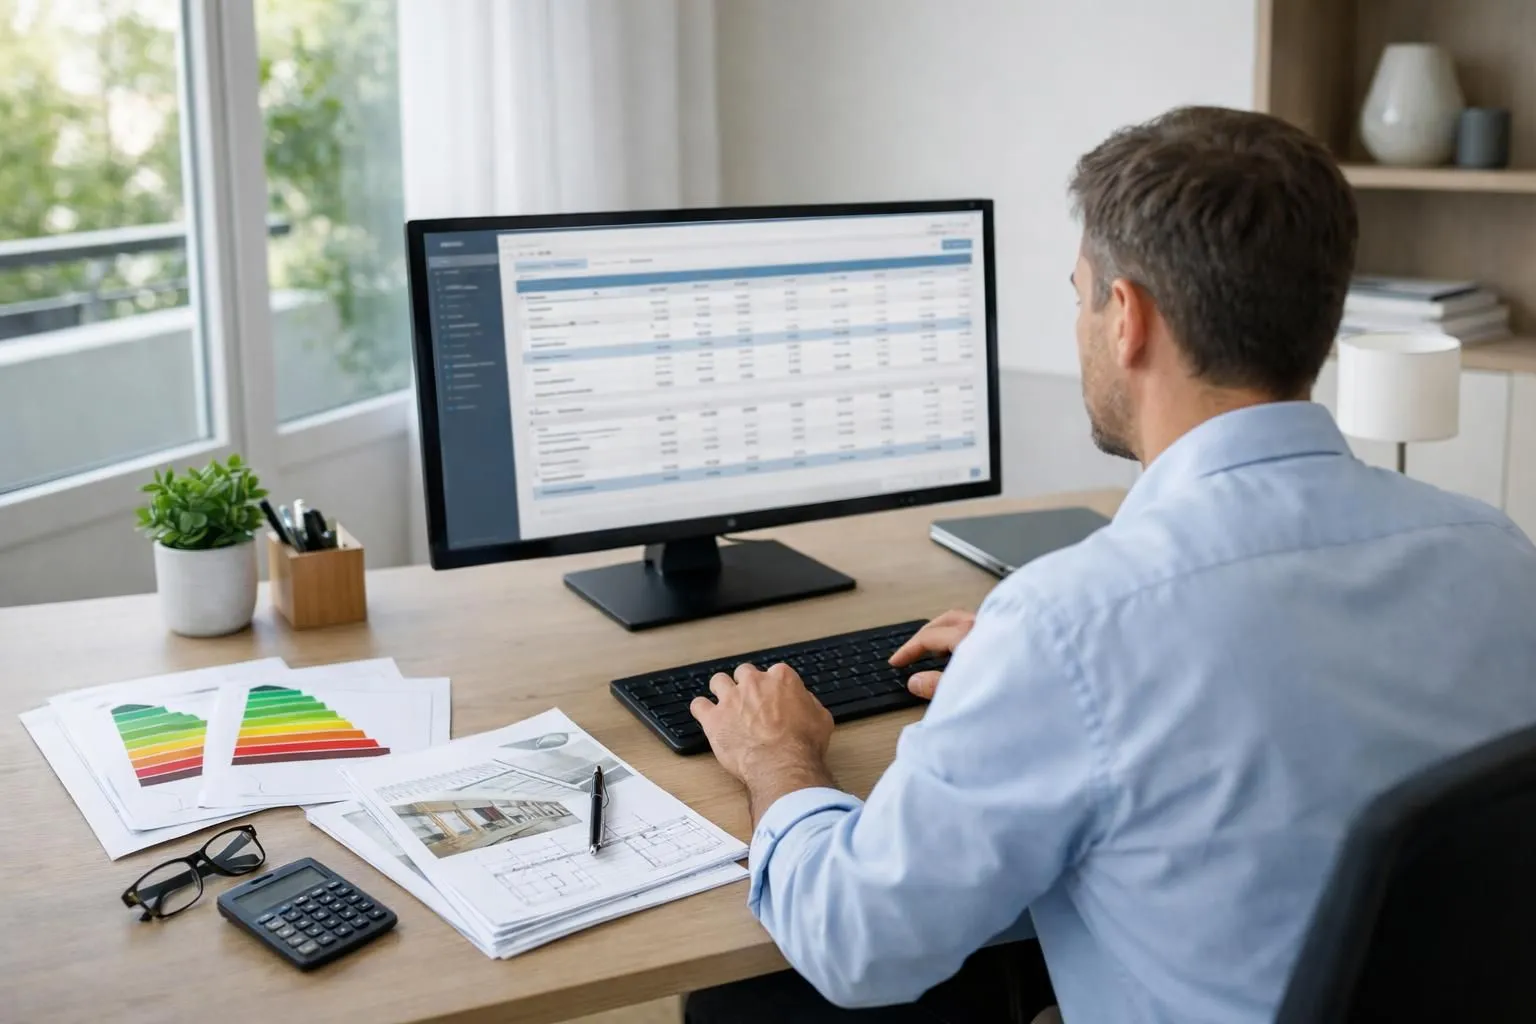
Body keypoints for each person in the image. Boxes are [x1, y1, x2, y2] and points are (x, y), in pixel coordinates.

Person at [682, 105, 1536, 1024]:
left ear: (1126, 317)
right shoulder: (1498, 554)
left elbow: (858, 944)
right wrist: (1029, 680)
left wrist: (779, 763)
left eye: (1081, 291)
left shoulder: (1070, 625)